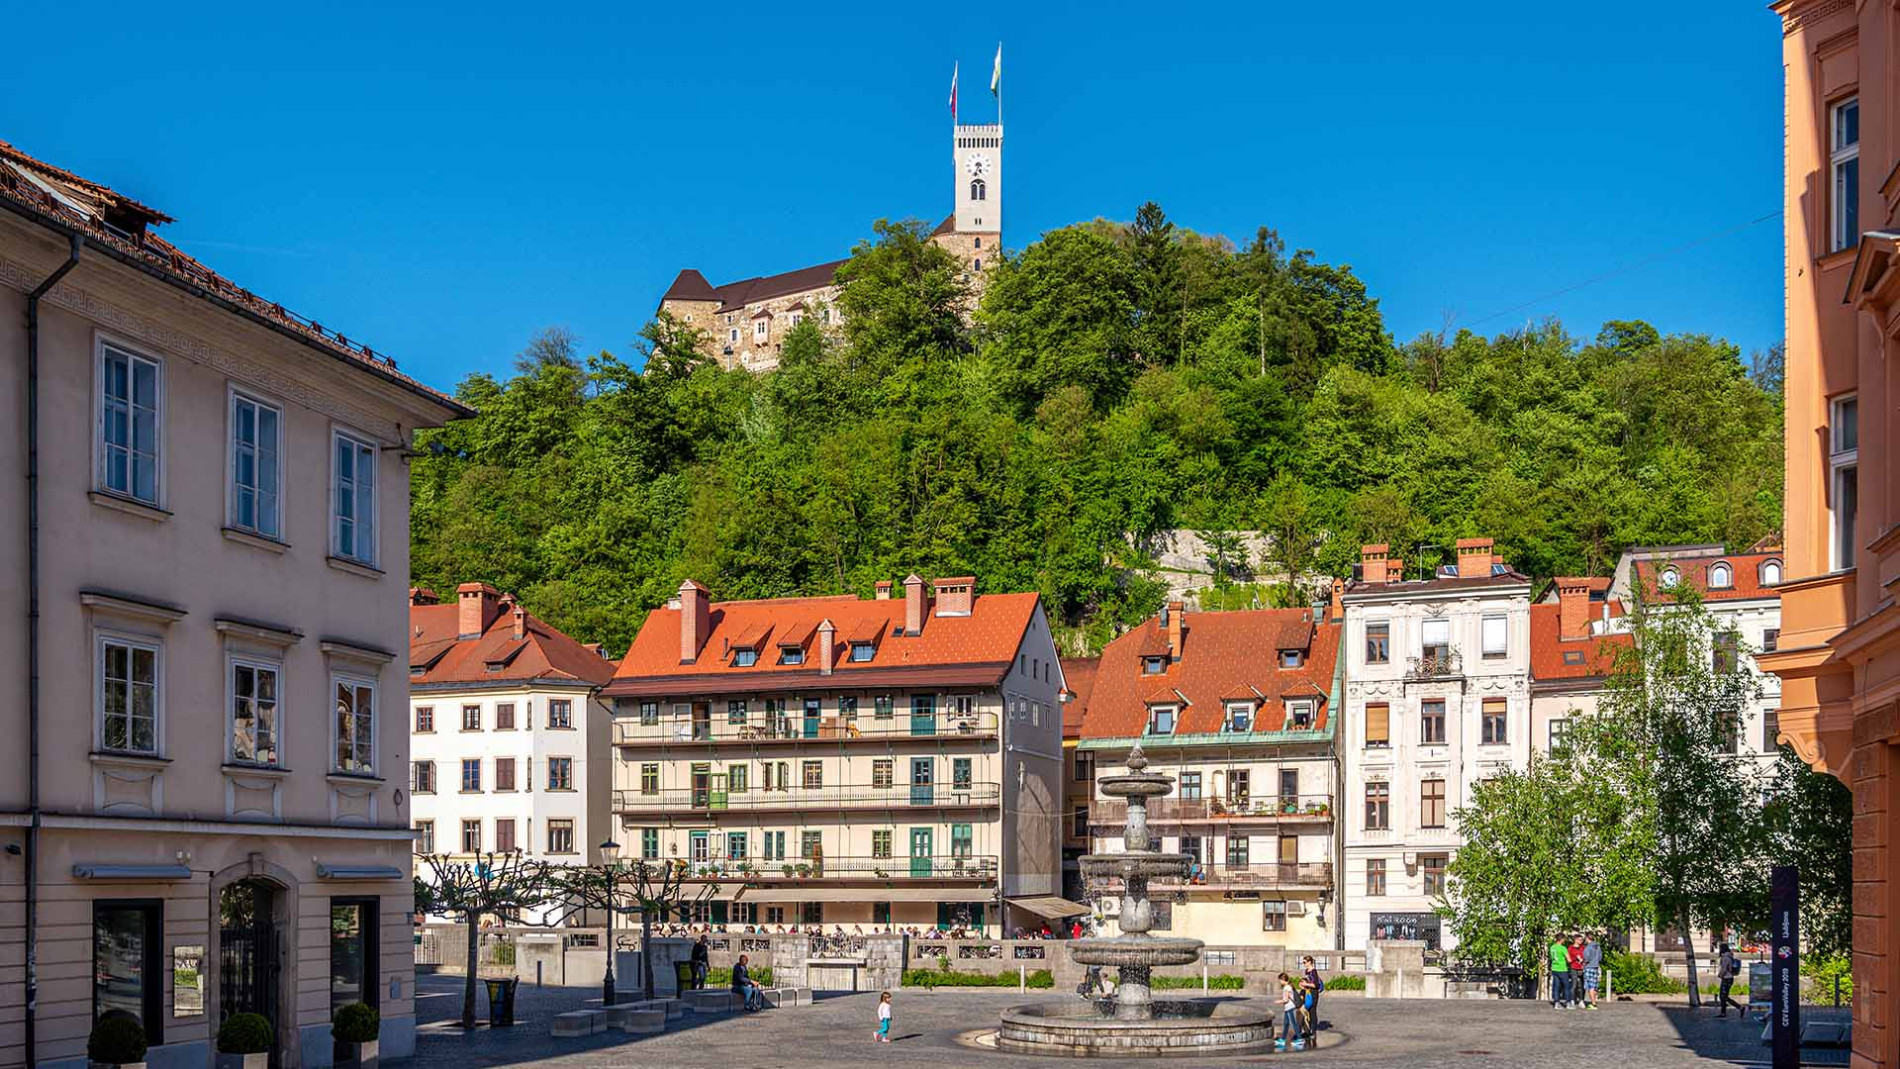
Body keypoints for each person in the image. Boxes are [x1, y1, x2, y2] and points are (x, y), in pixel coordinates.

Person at [1715, 943, 1744, 1018]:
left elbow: (1724, 969)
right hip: (1730, 978)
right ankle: (1723, 1012)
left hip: (1726, 978)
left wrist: (1720, 975)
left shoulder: (1725, 958)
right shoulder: (1730, 956)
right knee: (1723, 996)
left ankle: (1739, 1007)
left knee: (1723, 996)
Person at [1300, 955, 1325, 1037]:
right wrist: (1303, 985)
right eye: (1303, 962)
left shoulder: (1313, 971)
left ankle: (1313, 1031)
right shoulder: (1307, 971)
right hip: (1308, 992)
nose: (1303, 964)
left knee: (1312, 1012)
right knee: (1307, 1012)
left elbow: (1315, 985)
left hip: (1313, 993)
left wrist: (1306, 984)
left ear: (1310, 962)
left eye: (1305, 962)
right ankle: (1308, 1029)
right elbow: (1308, 981)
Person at [1275, 973, 1301, 1050]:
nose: (1279, 981)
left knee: (1293, 1023)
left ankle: (1299, 1038)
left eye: (1280, 980)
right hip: (1288, 1008)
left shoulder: (1287, 988)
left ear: (1283, 980)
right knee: (1286, 1023)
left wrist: (1278, 1001)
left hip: (1289, 1007)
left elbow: (1286, 1000)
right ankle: (1282, 1039)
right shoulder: (1289, 987)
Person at [1549, 935, 1572, 1009]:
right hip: (1562, 969)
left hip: (1554, 968)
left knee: (1556, 986)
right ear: (1561, 939)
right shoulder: (1563, 948)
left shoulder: (1552, 947)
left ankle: (1556, 1003)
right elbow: (1569, 959)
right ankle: (1568, 1003)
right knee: (1566, 986)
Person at [1581, 935, 1602, 1010]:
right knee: (1595, 986)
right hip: (1596, 967)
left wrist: (1582, 962)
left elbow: (1586, 958)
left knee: (1590, 986)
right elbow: (1600, 958)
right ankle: (1594, 1001)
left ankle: (1593, 1003)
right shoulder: (1598, 947)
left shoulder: (1588, 947)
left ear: (1587, 938)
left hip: (1589, 967)